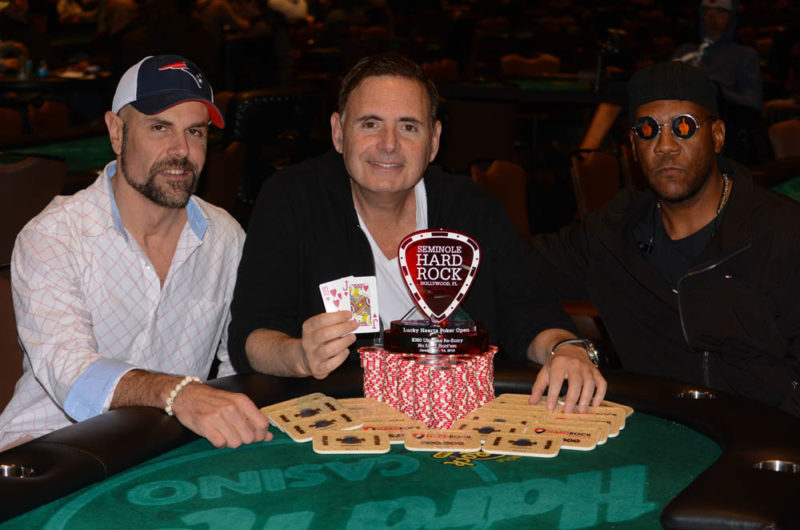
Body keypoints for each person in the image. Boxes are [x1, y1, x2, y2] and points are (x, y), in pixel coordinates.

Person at [228, 52, 606, 413]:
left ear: (435, 141)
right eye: (370, 124)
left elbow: (529, 312)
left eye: (409, 126)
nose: (389, 144)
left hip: (458, 420)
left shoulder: (472, 208)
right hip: (342, 424)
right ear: (338, 132)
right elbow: (251, 337)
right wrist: (297, 355)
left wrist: (566, 350)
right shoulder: (292, 199)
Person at [0, 55, 272, 451]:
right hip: (44, 450)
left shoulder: (225, 237)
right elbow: (70, 371)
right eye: (159, 128)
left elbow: (235, 363)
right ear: (116, 132)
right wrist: (179, 394)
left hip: (158, 450)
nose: (181, 150)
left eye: (195, 132)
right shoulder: (54, 235)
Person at [532, 61, 800, 417]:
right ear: (632, 144)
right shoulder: (613, 232)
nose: (665, 146)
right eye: (647, 129)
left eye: (684, 127)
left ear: (717, 136)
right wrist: (562, 343)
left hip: (764, 447)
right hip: (656, 445)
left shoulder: (781, 233)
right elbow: (514, 271)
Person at [673, 0, 764, 164]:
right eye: (707, 12)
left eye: (720, 13)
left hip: (725, 139)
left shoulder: (744, 56)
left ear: (732, 18)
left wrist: (716, 89)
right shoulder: (684, 52)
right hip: (678, 131)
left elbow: (754, 103)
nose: (711, 18)